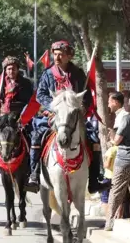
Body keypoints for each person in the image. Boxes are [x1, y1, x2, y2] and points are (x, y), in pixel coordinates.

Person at [28, 40, 102, 194]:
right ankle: (34, 175)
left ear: (69, 56)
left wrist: (83, 107)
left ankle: (94, 179)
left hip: (73, 117)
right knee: (36, 138)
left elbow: (86, 95)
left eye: (61, 54)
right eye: (55, 54)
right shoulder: (48, 74)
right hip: (53, 115)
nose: (57, 57)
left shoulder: (78, 74)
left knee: (94, 139)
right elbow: (40, 95)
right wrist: (54, 106)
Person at [0, 56, 34, 184]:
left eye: (13, 69)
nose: (10, 71)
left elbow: (29, 103)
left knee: (32, 138)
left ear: (18, 69)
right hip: (3, 117)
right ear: (5, 70)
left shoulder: (26, 84)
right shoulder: (0, 83)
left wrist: (23, 117)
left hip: (19, 117)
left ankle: (32, 169)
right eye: (8, 69)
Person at [105, 92, 130, 230]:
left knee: (116, 192)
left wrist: (111, 138)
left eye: (109, 101)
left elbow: (117, 141)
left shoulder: (125, 119)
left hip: (124, 161)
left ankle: (109, 222)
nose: (108, 104)